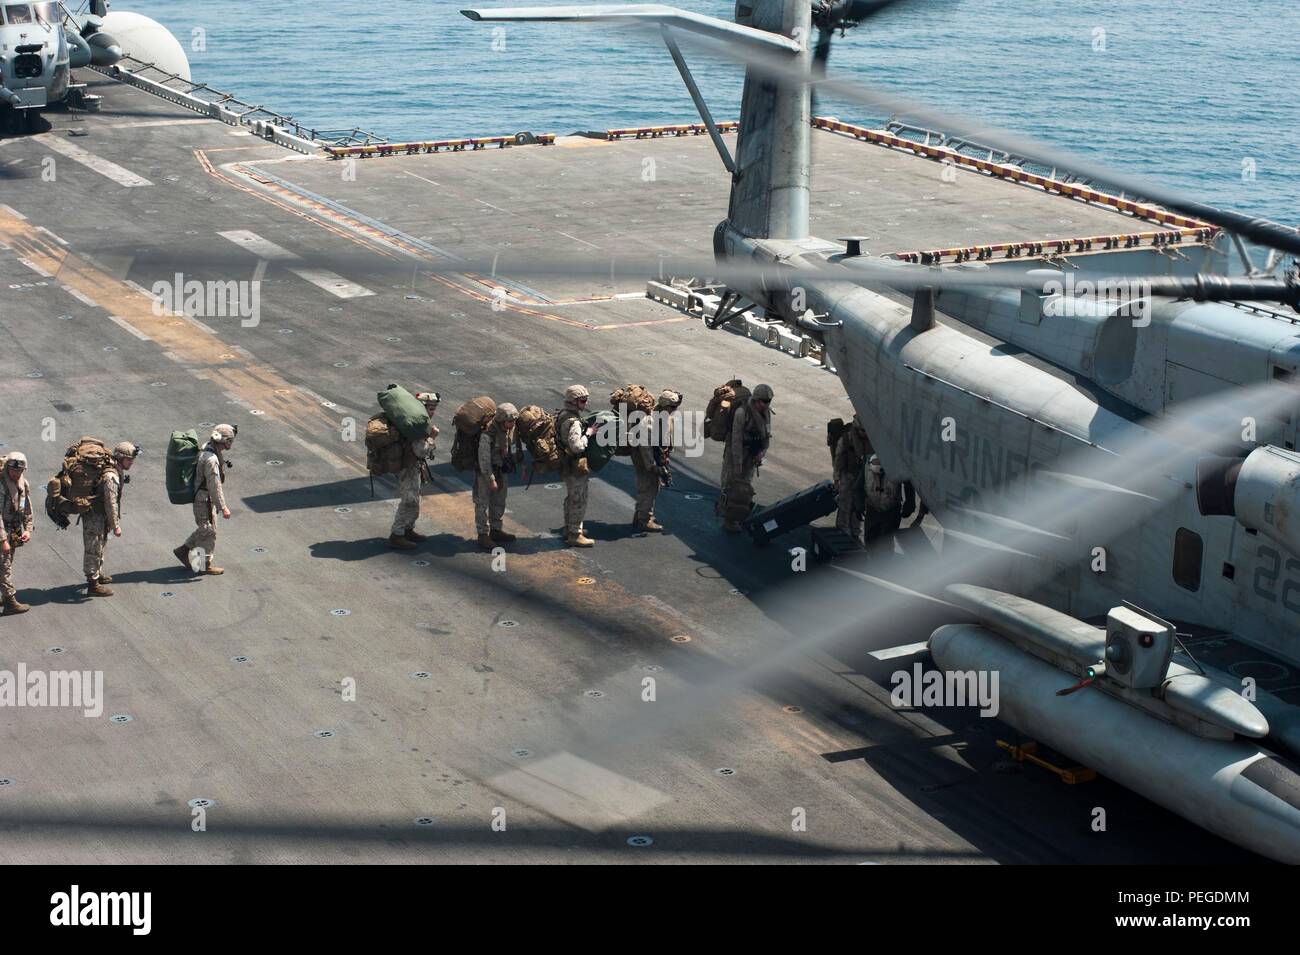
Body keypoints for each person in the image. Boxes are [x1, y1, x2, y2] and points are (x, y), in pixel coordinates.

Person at [174, 424, 235, 576]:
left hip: (203, 498)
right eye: (229, 441)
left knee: (205, 529)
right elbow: (214, 486)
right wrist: (223, 507)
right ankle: (201, 565)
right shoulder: (211, 459)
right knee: (208, 531)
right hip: (204, 500)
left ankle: (183, 551)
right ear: (225, 441)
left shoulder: (208, 447)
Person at [83, 441, 139, 597]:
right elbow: (111, 502)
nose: (132, 462)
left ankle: (98, 574)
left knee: (101, 544)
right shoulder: (111, 476)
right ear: (121, 458)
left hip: (101, 516)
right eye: (129, 459)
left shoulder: (116, 469)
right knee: (93, 547)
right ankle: (92, 584)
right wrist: (116, 525)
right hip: (95, 515)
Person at [388, 391, 441, 550]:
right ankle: (397, 534)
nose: (433, 412)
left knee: (415, 499)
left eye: (433, 409)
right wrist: (432, 438)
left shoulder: (419, 422)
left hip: (413, 466)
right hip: (407, 467)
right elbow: (420, 451)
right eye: (430, 408)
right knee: (408, 500)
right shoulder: (418, 425)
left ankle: (408, 529)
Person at [719, 383, 773, 533]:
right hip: (735, 454)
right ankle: (728, 518)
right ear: (757, 400)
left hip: (752, 454)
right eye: (764, 401)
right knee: (730, 485)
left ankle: (739, 516)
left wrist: (762, 452)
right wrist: (737, 463)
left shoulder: (766, 412)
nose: (767, 405)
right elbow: (736, 439)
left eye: (768, 401)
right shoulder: (742, 413)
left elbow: (767, 434)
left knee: (745, 487)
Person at [632, 389, 682, 532]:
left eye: (675, 407)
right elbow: (645, 447)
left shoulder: (666, 419)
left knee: (653, 488)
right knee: (647, 488)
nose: (674, 410)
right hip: (644, 460)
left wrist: (664, 461)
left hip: (658, 458)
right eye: (672, 407)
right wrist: (653, 466)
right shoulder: (648, 422)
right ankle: (644, 520)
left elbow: (667, 442)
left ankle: (641, 515)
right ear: (664, 406)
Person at [555, 384, 598, 547]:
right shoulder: (574, 422)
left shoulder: (562, 414)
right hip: (574, 466)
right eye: (582, 401)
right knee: (578, 499)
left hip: (565, 463)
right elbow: (577, 446)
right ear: (573, 402)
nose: (585, 404)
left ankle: (569, 528)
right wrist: (589, 434)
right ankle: (574, 534)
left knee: (571, 497)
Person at [474, 402, 519, 550]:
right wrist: (491, 479)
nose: (512, 424)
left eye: (513, 421)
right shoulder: (487, 434)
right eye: (509, 421)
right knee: (482, 504)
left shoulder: (507, 430)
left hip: (501, 470)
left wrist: (520, 464)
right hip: (486, 474)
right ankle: (483, 535)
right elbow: (484, 460)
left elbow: (512, 447)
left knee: (499, 502)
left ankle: (496, 530)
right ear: (501, 420)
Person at [1, 452, 34, 615]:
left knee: (5, 564)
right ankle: (10, 602)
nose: (15, 474)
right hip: (2, 530)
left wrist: (27, 529)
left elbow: (26, 507)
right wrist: (3, 540)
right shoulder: (2, 486)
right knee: (4, 566)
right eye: (13, 470)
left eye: (19, 471)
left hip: (13, 529)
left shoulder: (22, 483)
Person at [832, 415, 872, 543]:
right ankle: (842, 530)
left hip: (863, 477)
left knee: (858, 505)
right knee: (844, 504)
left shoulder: (871, 440)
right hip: (848, 475)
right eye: (862, 431)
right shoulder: (847, 439)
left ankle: (855, 531)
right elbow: (838, 459)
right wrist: (837, 477)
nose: (864, 434)